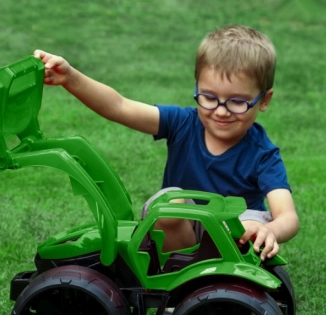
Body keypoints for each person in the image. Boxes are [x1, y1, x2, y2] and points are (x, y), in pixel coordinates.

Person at [34, 24, 299, 262]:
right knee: (169, 203)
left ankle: (226, 275)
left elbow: (287, 216)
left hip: (232, 234)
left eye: (237, 102)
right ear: (197, 87)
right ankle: (179, 273)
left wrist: (269, 230)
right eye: (209, 97)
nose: (220, 111)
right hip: (183, 231)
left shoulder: (263, 154)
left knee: (250, 223)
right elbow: (119, 106)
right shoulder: (182, 124)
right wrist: (70, 78)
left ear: (264, 100)